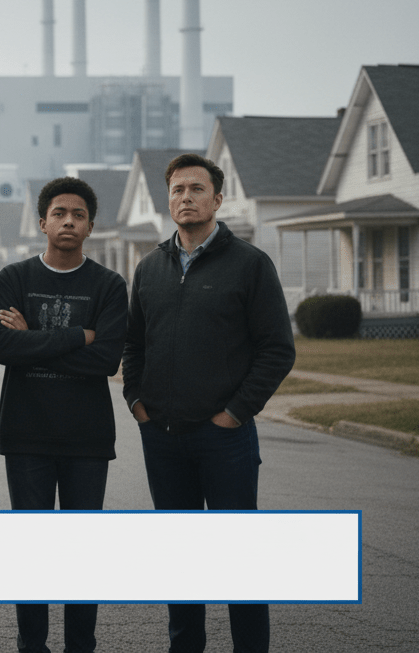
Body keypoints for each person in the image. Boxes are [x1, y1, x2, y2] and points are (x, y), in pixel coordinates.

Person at [122, 153, 295, 653]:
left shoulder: (249, 264)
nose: (186, 198)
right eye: (177, 190)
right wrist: (137, 401)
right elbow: (134, 345)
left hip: (225, 439)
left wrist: (234, 413)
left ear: (218, 199)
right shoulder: (149, 268)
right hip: (163, 437)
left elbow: (277, 349)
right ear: (168, 200)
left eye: (197, 189)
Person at [0, 177, 128, 653]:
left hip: (87, 440)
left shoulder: (109, 285)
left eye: (78, 215)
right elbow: (6, 349)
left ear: (91, 225)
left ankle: (80, 646)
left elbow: (107, 360)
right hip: (26, 436)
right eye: (59, 213)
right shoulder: (15, 278)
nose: (68, 221)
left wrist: (35, 340)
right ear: (42, 221)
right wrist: (79, 336)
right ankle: (32, 645)